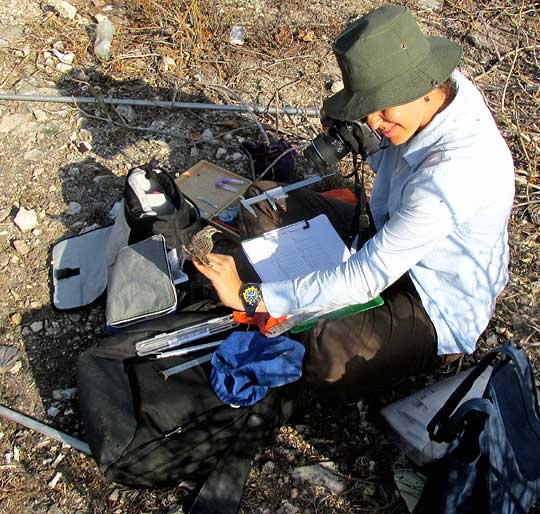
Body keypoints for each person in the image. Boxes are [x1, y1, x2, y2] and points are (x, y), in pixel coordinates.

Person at [193, 4, 515, 396]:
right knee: (262, 206)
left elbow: (365, 277)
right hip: (387, 231)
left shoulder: (455, 172)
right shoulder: (439, 90)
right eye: (367, 109)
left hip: (430, 297)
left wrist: (252, 296)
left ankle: (304, 302)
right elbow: (393, 172)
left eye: (383, 107)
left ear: (426, 88)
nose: (376, 121)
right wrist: (370, 145)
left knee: (324, 351)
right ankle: (301, 285)